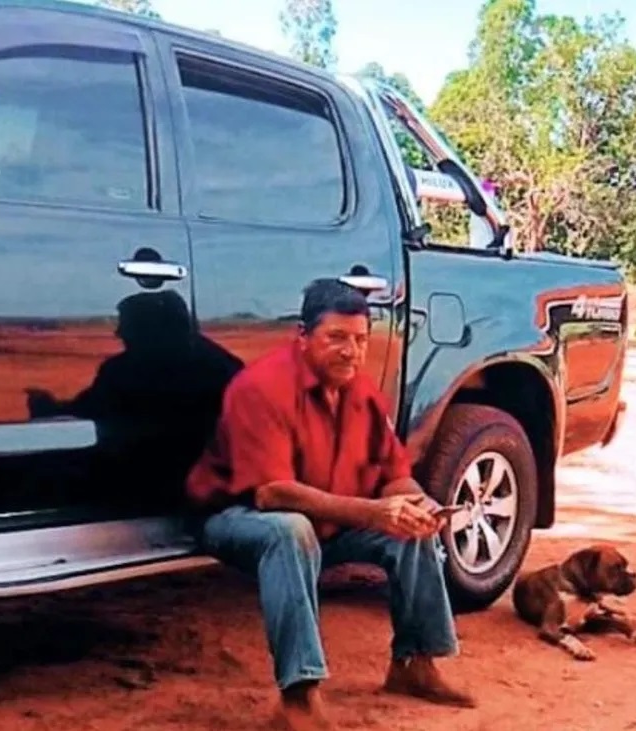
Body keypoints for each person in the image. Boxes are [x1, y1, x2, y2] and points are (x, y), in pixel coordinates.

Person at [186, 278, 475, 730]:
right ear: (302, 336)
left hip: (328, 522)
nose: (351, 352)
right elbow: (272, 493)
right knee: (289, 529)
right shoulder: (260, 388)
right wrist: (376, 513)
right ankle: (298, 698)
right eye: (336, 338)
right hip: (238, 518)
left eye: (360, 340)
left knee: (412, 530)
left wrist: (420, 504)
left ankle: (415, 665)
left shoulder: (362, 393)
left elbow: (393, 473)